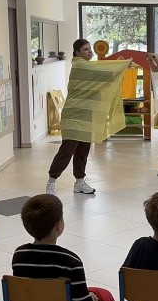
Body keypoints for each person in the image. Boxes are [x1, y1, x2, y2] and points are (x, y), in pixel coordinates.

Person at [12, 195, 115, 301]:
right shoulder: (70, 261)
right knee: (107, 298)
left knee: (41, 297)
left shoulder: (19, 255)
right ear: (59, 225)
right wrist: (91, 300)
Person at [46, 39, 131, 196]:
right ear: (77, 53)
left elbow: (104, 74)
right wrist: (122, 64)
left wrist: (119, 64)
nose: (90, 51)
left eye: (89, 48)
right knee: (67, 149)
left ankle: (79, 182)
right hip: (73, 115)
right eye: (85, 49)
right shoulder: (80, 65)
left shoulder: (89, 66)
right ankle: (51, 182)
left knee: (83, 149)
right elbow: (105, 72)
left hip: (86, 114)